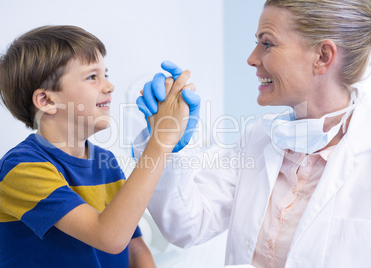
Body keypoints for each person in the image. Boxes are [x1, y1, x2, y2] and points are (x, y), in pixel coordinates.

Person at [134, 0, 371, 267]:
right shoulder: (260, 139)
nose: (251, 58)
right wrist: (167, 144)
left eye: (267, 43)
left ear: (323, 56)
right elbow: (186, 225)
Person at [0, 25, 198, 268]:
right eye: (92, 77)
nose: (109, 86)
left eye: (105, 75)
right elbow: (109, 237)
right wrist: (161, 141)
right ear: (46, 100)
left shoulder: (104, 161)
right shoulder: (21, 168)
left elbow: (135, 251)